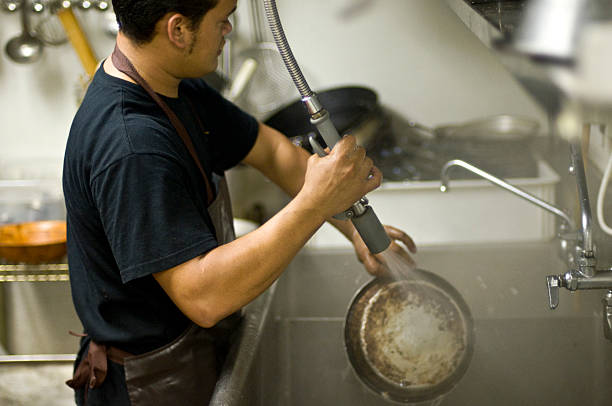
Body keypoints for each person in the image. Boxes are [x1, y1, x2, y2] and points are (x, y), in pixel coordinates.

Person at [62, 0, 417, 404]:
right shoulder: (133, 147)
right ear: (177, 30)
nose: (229, 29)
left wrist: (353, 227)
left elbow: (271, 152)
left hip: (190, 352)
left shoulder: (173, 86)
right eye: (222, 19)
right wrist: (316, 205)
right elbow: (204, 297)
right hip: (148, 382)